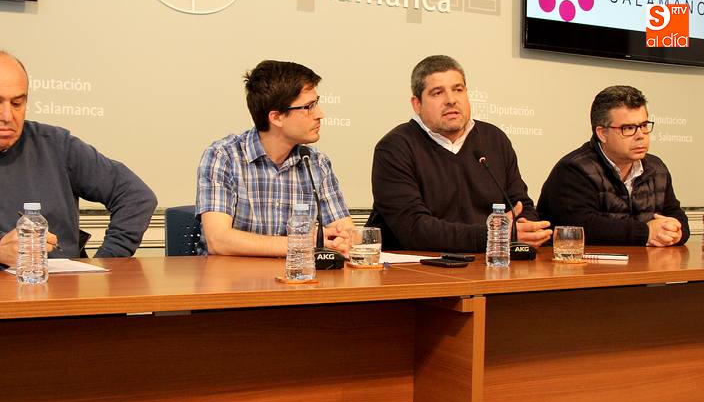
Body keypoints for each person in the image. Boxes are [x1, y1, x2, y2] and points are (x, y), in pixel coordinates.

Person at [0, 48, 157, 269]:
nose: (7, 115)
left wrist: (106, 262)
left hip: (59, 294)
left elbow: (136, 196)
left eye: (17, 103)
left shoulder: (55, 144)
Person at [366, 55, 551, 253]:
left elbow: (521, 206)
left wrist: (526, 228)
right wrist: (496, 236)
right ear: (417, 104)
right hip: (417, 269)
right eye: (437, 93)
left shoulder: (494, 139)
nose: (451, 100)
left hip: (488, 261)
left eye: (458, 90)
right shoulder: (395, 147)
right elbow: (414, 229)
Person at [196, 60, 352, 256]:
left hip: (296, 280)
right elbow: (218, 241)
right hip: (231, 281)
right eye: (308, 107)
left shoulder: (316, 162)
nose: (320, 114)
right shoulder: (224, 156)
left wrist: (342, 240)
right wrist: (305, 243)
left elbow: (345, 230)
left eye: (317, 104)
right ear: (277, 117)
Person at [537, 85, 688, 246]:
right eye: (628, 128)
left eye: (644, 126)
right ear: (602, 133)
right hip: (587, 268)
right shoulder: (574, 169)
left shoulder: (656, 168)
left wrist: (676, 232)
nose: (641, 136)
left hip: (644, 265)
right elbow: (580, 226)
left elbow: (676, 215)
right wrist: (646, 232)